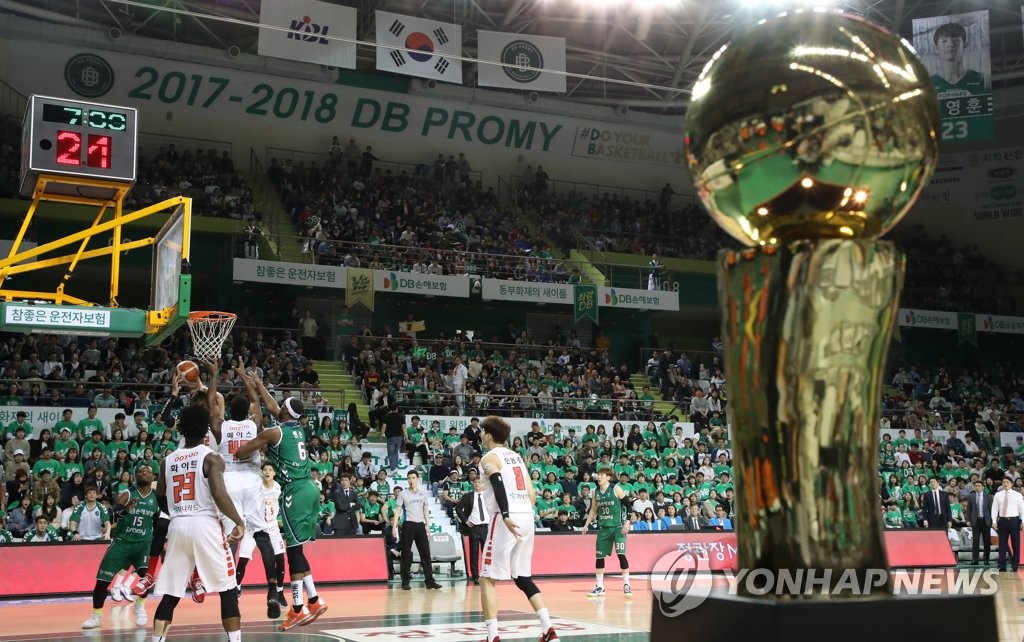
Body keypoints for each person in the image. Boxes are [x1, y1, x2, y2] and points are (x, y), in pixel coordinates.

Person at [234, 375, 328, 631]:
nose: (277, 408)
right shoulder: (297, 429)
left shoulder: (273, 432)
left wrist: (250, 445)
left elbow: (240, 453)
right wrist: (258, 385)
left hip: (294, 491)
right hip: (310, 488)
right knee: (298, 550)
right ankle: (314, 600)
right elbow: (275, 408)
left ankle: (297, 609)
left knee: (293, 552)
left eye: (280, 407)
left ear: (284, 412)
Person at [152, 405, 246, 642]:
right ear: (206, 430)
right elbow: (219, 493)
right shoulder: (211, 457)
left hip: (177, 525)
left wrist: (177, 513)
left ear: (181, 429)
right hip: (205, 524)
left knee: (171, 593)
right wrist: (238, 521)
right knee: (228, 588)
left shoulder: (167, 461)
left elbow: (160, 497)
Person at [477, 415, 557, 642]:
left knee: (486, 578)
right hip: (526, 516)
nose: (481, 435)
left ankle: (492, 637)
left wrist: (505, 514)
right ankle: (548, 630)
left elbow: (497, 483)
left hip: (506, 517)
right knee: (523, 577)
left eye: (482, 432)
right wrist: (522, 512)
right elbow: (532, 494)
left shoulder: (489, 458)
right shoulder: (517, 457)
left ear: (489, 435)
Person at [218, 369, 282, 619]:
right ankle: (272, 590)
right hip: (251, 480)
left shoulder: (221, 426)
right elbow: (256, 401)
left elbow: (213, 407)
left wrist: (213, 378)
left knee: (231, 538)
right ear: (247, 412)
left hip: (230, 480)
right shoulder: (252, 424)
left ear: (228, 412)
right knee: (262, 536)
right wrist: (248, 380)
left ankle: (231, 588)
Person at [81, 462, 160, 630]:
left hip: (143, 544)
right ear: (134, 476)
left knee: (146, 579)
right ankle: (96, 616)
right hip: (122, 542)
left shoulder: (157, 497)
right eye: (140, 471)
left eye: (147, 471)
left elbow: (159, 521)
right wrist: (125, 511)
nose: (143, 473)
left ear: (153, 477)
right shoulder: (128, 494)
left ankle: (139, 606)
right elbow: (111, 515)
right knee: (102, 581)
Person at [581, 467, 631, 597]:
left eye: (602, 475)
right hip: (603, 528)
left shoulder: (616, 489)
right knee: (599, 557)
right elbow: (593, 509)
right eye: (598, 474)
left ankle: (626, 584)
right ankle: (600, 586)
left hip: (618, 528)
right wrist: (586, 525)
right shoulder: (595, 491)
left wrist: (628, 522)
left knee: (621, 555)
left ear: (608, 477)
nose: (599, 476)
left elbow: (628, 505)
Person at [392, 469, 442, 590]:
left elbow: (425, 509)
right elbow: (398, 511)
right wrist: (394, 526)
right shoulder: (403, 494)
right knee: (405, 553)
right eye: (409, 478)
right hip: (408, 525)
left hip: (420, 525)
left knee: (425, 553)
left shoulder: (423, 494)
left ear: (417, 479)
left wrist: (427, 525)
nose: (411, 480)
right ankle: (405, 582)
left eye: (413, 478)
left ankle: (429, 581)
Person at [929, 22, 988, 96]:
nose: (950, 44)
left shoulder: (983, 79)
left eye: (956, 40)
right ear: (935, 49)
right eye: (944, 41)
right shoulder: (928, 83)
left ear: (965, 45)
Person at [455, 477, 490, 584]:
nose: (477, 484)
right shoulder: (468, 496)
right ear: (472, 484)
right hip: (473, 527)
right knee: (474, 553)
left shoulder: (488, 495)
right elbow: (458, 508)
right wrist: (465, 520)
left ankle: (487, 574)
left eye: (479, 482)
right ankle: (475, 575)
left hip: (486, 527)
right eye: (475, 482)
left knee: (487, 553)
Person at [991, 478, 1024, 572]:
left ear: (1012, 484)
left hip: (1014, 521)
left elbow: (1022, 509)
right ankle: (1002, 566)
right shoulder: (998, 494)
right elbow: (994, 508)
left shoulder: (1017, 495)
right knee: (1002, 544)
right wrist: (994, 521)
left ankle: (1015, 566)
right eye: (1004, 482)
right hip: (1002, 521)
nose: (1005, 484)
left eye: (1007, 482)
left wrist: (1023, 521)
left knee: (1015, 544)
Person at [967, 480, 993, 565]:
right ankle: (975, 559)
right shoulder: (971, 496)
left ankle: (986, 559)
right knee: (975, 541)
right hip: (976, 520)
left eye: (979, 486)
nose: (977, 487)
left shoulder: (988, 497)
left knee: (986, 540)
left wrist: (993, 521)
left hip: (986, 521)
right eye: (976, 486)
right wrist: (968, 520)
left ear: (983, 487)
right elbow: (969, 509)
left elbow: (991, 510)